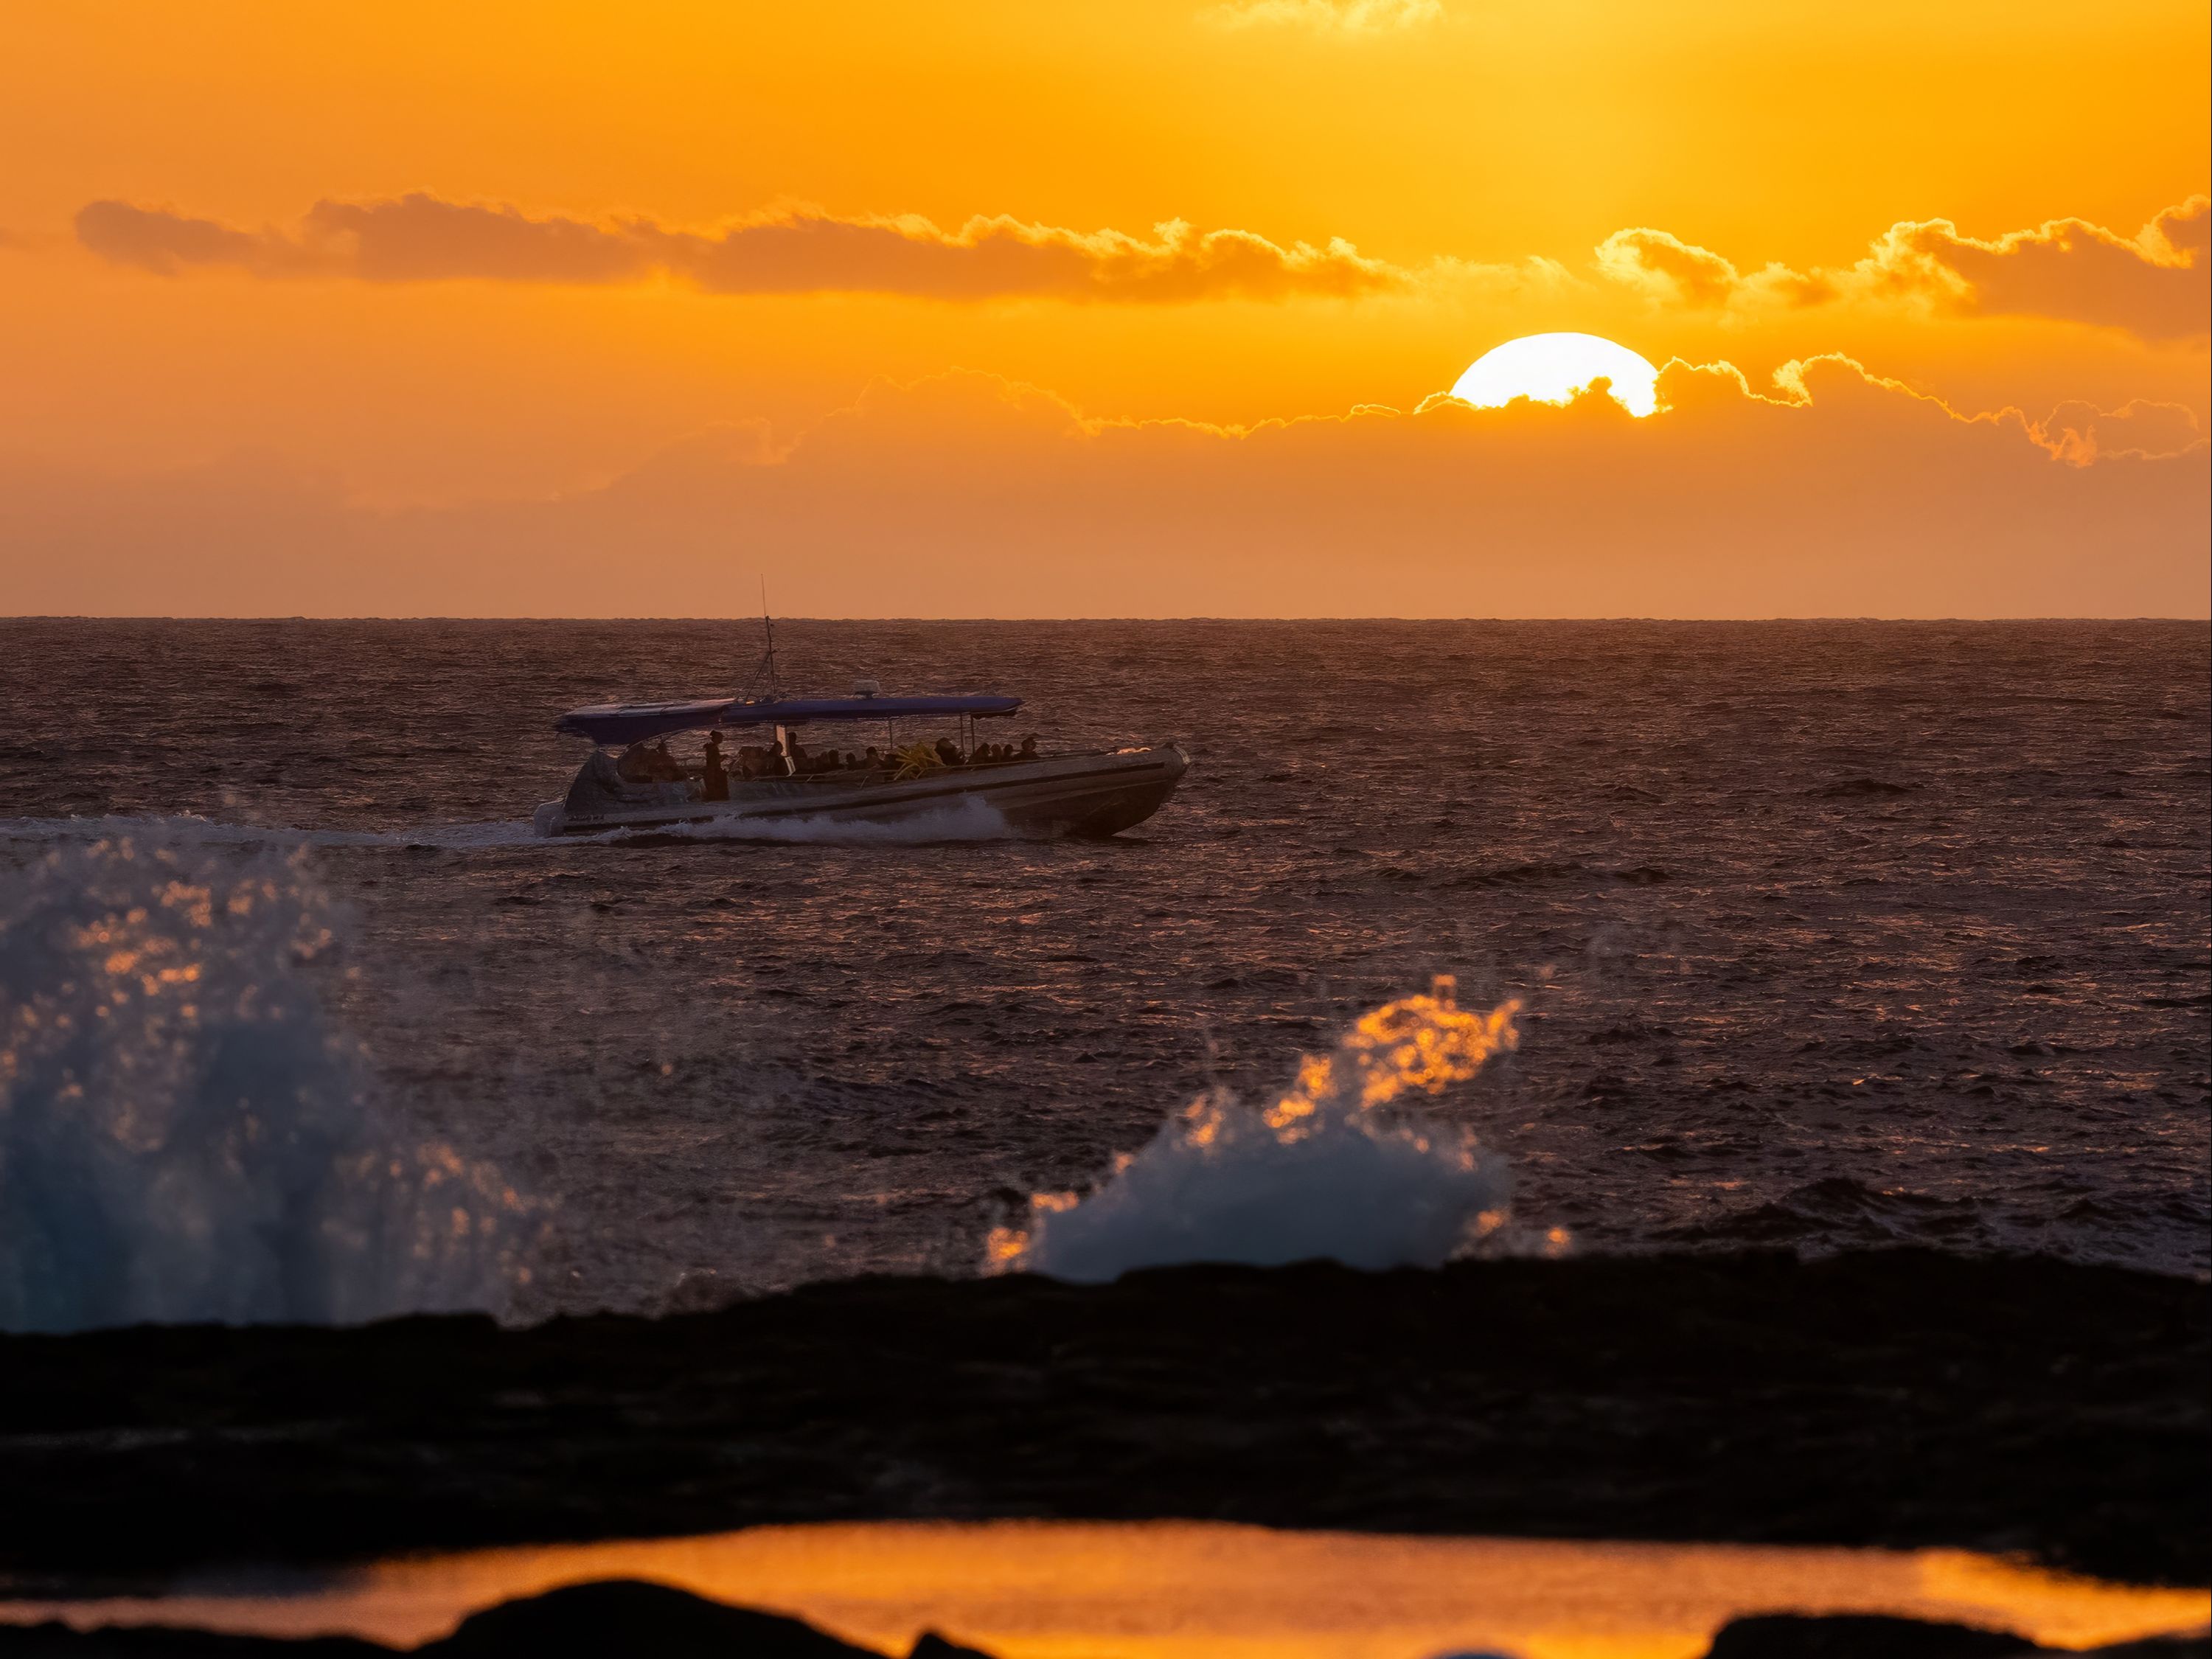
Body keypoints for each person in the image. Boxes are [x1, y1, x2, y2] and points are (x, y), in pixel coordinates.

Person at [701, 731, 729, 801]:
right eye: (720, 738)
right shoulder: (713, 747)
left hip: (712, 770)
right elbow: (714, 761)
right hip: (713, 771)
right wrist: (723, 758)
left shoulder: (711, 746)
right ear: (716, 738)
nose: (722, 739)